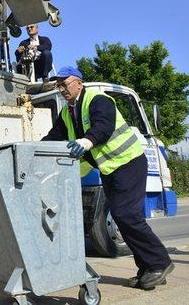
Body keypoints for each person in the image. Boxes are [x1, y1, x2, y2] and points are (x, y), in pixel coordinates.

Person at [42, 66, 174, 290]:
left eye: (65, 84)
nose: (62, 89)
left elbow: (103, 125)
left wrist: (86, 141)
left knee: (126, 215)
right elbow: (53, 137)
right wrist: (31, 148)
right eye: (59, 85)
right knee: (124, 219)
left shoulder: (98, 99)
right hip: (110, 169)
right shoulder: (67, 112)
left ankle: (160, 263)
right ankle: (147, 268)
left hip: (129, 163)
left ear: (79, 83)